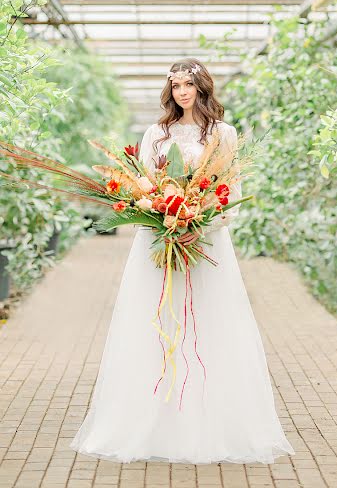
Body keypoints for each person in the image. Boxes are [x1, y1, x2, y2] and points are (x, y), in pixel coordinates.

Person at [69, 58, 295, 464]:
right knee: (157, 323)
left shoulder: (223, 134)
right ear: (169, 90)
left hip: (206, 242)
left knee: (210, 324)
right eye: (176, 86)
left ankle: (211, 423)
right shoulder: (156, 133)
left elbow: (229, 192)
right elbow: (140, 183)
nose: (182, 92)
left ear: (202, 87)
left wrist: (200, 225)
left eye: (189, 84)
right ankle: (153, 421)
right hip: (158, 241)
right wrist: (162, 220)